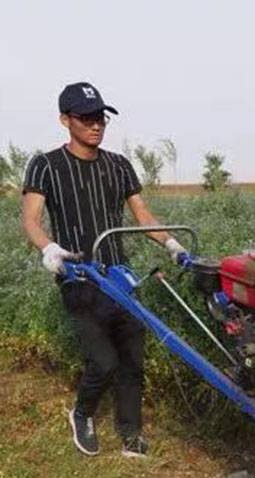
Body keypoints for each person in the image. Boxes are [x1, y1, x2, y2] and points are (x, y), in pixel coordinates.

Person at [21, 81, 188, 458]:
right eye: (86, 118)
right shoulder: (46, 165)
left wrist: (173, 245)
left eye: (100, 118)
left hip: (120, 276)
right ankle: (82, 414)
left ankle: (130, 434)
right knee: (104, 361)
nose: (95, 125)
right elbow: (30, 218)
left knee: (132, 359)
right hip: (79, 278)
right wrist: (49, 248)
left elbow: (141, 215)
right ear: (66, 120)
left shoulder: (118, 165)